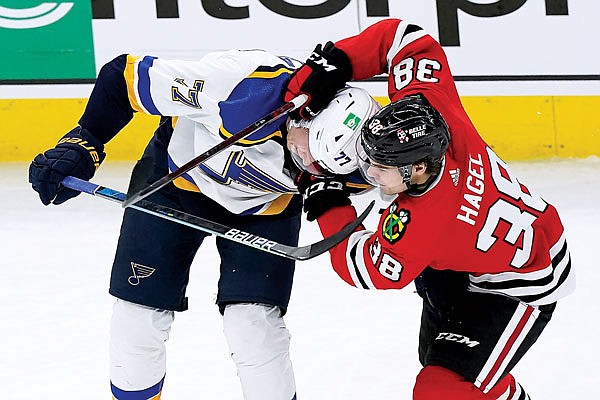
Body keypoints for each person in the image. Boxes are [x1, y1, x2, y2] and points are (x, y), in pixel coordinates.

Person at [28, 48, 377, 400]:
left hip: (265, 208)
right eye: (306, 155)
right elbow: (122, 76)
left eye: (322, 169)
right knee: (137, 317)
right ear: (303, 115)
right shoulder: (233, 88)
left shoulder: (364, 167)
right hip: (175, 181)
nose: (308, 170)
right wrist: (84, 142)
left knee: (253, 328)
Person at [285, 18, 575, 399]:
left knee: (440, 387)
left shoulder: (421, 220)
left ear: (417, 167)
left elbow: (366, 268)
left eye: (379, 167)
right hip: (470, 255)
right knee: (439, 360)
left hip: (522, 281)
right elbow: (405, 39)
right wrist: (339, 61)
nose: (367, 172)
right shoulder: (428, 108)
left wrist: (328, 202)